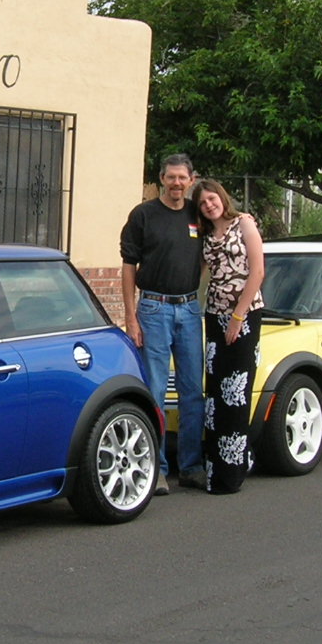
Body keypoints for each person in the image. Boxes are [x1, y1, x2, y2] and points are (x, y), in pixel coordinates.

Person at [120, 154, 205, 494]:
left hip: (189, 309)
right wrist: (131, 317)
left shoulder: (197, 214)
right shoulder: (143, 215)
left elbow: (206, 254)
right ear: (161, 180)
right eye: (171, 178)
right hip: (153, 309)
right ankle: (155, 469)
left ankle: (191, 467)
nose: (176, 183)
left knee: (192, 392)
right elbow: (128, 265)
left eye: (182, 178)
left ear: (191, 180)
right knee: (155, 391)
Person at [193, 178, 264, 494]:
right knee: (215, 397)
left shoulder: (244, 223)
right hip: (214, 316)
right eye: (203, 203)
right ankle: (214, 473)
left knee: (236, 393)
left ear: (222, 197)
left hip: (244, 317)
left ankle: (233, 472)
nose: (209, 205)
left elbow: (258, 272)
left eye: (212, 198)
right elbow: (199, 274)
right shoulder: (207, 235)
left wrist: (238, 317)